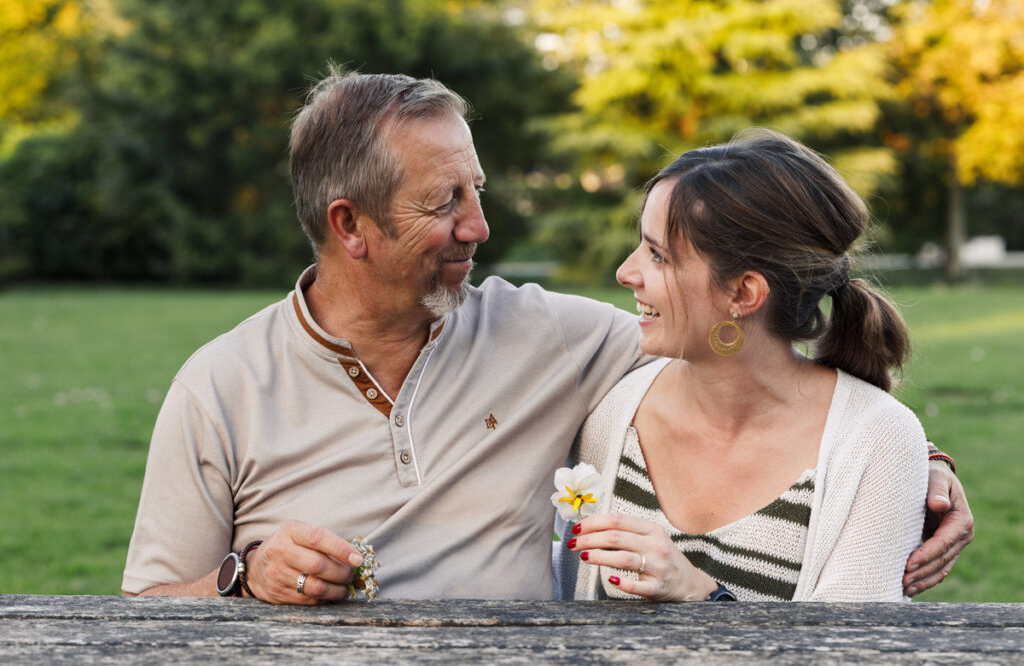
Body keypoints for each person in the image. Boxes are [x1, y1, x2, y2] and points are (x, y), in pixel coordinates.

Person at [123, 70, 970, 604]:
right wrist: (243, 577)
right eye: (443, 202)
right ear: (351, 225)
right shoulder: (221, 384)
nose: (479, 226)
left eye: (476, 190)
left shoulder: (550, 338)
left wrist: (920, 469)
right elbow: (143, 611)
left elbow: (739, 353)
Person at [555, 129, 961, 602]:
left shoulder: (877, 442)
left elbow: (851, 651)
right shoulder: (614, 412)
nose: (626, 272)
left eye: (658, 255)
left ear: (744, 294)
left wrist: (704, 598)